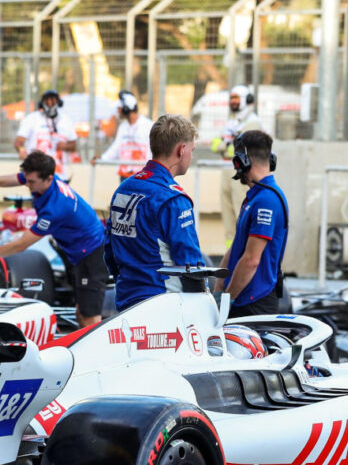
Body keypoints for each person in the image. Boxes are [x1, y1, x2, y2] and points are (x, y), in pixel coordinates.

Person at [0, 151, 107, 328]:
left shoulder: (54, 209)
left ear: (48, 178)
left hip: (91, 253)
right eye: (26, 180)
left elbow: (21, 245)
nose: (27, 185)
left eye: (31, 182)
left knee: (90, 317)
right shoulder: (42, 180)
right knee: (81, 312)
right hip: (76, 249)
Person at [105, 114, 204, 311]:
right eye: (192, 150)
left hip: (125, 303)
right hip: (164, 309)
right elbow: (191, 265)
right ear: (181, 149)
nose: (191, 157)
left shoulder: (124, 188)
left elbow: (110, 250)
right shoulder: (173, 199)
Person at [218, 130, 288, 318]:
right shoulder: (255, 198)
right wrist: (218, 288)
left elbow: (251, 260)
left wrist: (227, 298)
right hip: (244, 298)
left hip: (253, 302)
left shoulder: (266, 201)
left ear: (242, 161)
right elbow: (236, 247)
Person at [214, 85, 264, 248]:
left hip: (240, 174)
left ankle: (243, 252)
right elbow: (216, 145)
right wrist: (227, 145)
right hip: (226, 171)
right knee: (228, 217)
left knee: (241, 214)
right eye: (232, 98)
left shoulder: (253, 121)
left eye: (237, 98)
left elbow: (238, 148)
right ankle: (231, 253)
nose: (233, 102)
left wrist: (226, 145)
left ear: (246, 100)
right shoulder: (231, 121)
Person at [14, 89, 78, 177]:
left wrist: (65, 146)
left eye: (53, 100)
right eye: (47, 100)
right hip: (36, 174)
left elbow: (74, 145)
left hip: (60, 174)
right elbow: (19, 141)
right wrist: (22, 150)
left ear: (58, 102)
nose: (50, 103)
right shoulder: (32, 118)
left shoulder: (66, 120)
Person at [92, 90, 152, 182]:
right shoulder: (123, 127)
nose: (118, 111)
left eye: (119, 108)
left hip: (144, 176)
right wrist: (102, 159)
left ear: (126, 108)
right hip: (125, 177)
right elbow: (116, 147)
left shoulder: (148, 125)